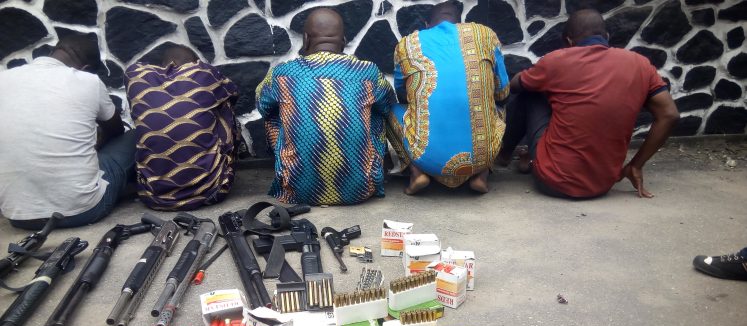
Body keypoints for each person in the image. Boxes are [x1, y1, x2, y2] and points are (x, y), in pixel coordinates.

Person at [498, 9, 679, 199]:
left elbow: (515, 86)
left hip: (552, 181)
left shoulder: (557, 60)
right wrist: (636, 165)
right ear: (606, 36)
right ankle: (531, 158)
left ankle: (505, 154)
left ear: (569, 41)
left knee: (531, 93)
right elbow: (670, 114)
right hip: (602, 185)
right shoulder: (640, 64)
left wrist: (535, 77)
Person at [256, 8, 395, 205]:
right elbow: (388, 104)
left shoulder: (282, 74)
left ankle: (292, 174)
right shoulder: (368, 72)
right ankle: (368, 172)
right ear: (343, 41)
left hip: (296, 192)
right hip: (362, 189)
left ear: (306, 39)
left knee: (273, 113)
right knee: (378, 112)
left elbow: (262, 106)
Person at [0, 34, 135, 230]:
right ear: (85, 68)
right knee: (135, 136)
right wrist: (96, 145)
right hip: (81, 212)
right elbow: (116, 131)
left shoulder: (4, 78)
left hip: (18, 215)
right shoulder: (88, 80)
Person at [386, 0, 510, 194]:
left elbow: (402, 92)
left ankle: (416, 173)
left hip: (426, 158)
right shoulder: (485, 35)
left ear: (427, 25)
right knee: (498, 109)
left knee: (390, 110)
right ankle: (481, 175)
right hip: (480, 157)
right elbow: (503, 91)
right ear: (460, 24)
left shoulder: (407, 44)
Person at [125, 45, 240, 210]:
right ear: (193, 63)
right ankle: (216, 170)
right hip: (211, 192)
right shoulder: (205, 73)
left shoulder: (134, 75)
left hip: (152, 197)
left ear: (163, 65)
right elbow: (234, 93)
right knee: (224, 105)